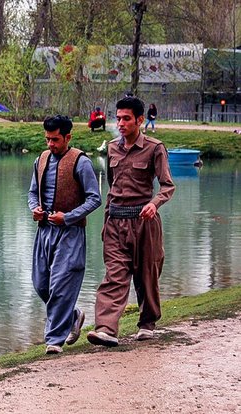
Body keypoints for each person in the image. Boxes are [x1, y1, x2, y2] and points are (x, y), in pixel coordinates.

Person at [87, 97, 175, 348]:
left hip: (144, 221)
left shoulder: (155, 148)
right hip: (116, 221)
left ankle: (147, 323)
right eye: (119, 118)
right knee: (114, 275)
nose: (121, 123)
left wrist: (154, 204)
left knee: (147, 275)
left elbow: (167, 186)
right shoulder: (113, 148)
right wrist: (106, 222)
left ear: (139, 120)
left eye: (127, 118)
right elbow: (112, 187)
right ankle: (105, 329)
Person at [28, 115, 102, 355]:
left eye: (56, 139)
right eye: (48, 139)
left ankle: (54, 341)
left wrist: (68, 217)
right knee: (41, 284)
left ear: (68, 137)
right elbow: (31, 193)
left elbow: (95, 199)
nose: (51, 144)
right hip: (45, 231)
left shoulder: (81, 162)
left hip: (70, 233)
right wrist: (35, 209)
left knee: (60, 286)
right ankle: (73, 316)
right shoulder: (40, 160)